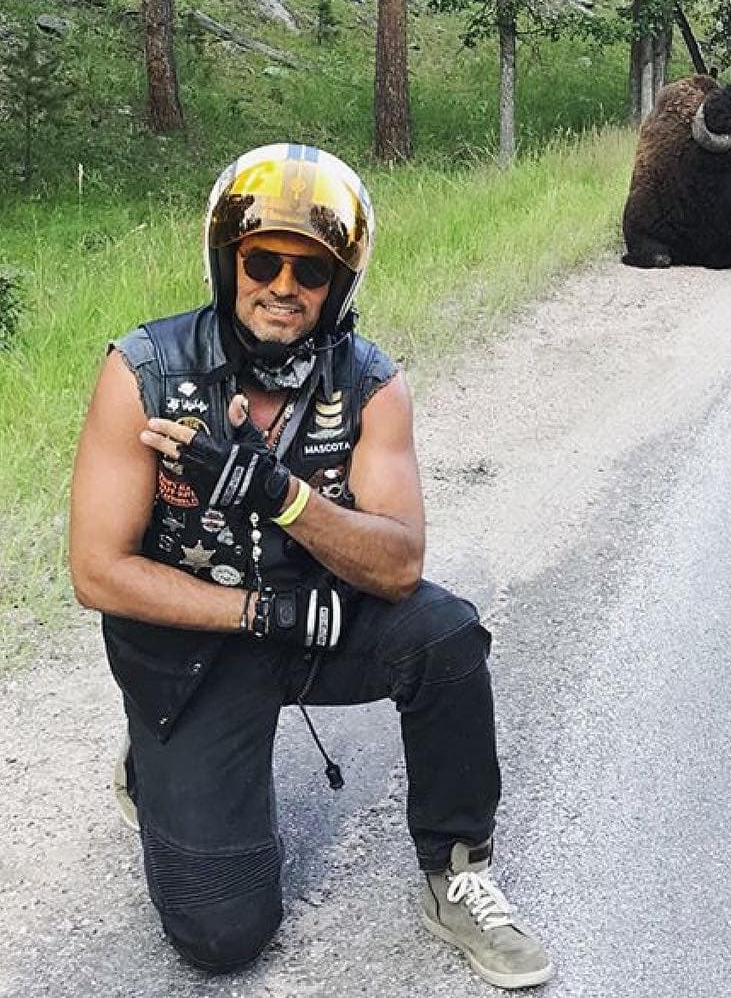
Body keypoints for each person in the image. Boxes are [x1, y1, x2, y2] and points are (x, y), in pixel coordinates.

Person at [68, 143, 553, 990]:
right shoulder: (144, 372)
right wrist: (258, 614)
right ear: (229, 263)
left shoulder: (369, 382)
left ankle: (457, 864)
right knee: (223, 935)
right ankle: (155, 761)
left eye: (312, 271)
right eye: (263, 260)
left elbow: (401, 564)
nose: (284, 286)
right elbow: (97, 571)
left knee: (445, 634)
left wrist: (282, 494)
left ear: (340, 286)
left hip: (318, 617)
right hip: (192, 649)